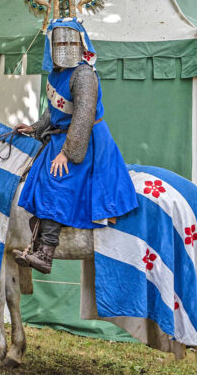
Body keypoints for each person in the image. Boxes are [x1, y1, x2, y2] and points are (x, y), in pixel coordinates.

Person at [14, 18, 137, 274]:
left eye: (69, 42)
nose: (64, 48)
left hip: (88, 140)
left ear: (79, 44)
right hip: (61, 136)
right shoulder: (57, 74)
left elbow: (83, 117)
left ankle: (45, 254)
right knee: (37, 176)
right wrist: (35, 127)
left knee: (56, 180)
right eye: (60, 43)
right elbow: (54, 111)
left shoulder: (84, 74)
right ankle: (35, 245)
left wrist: (67, 154)